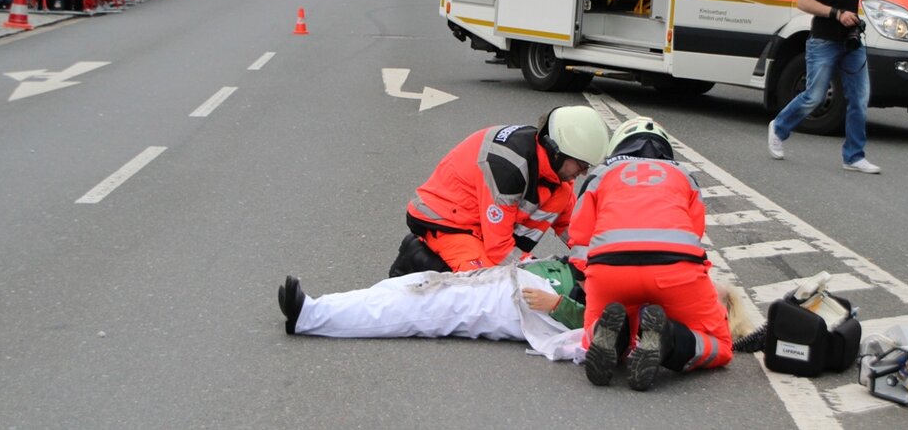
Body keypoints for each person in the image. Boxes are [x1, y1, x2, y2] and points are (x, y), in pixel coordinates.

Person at [276, 255, 756, 362]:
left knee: (418, 310)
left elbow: (605, 331)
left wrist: (559, 304)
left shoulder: (658, 317)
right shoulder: (657, 285)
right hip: (517, 280)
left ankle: (312, 316)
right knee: (415, 285)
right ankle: (319, 309)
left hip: (523, 306)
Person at [570, 117, 733, 391]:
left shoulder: (601, 174)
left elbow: (580, 237)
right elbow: (695, 233)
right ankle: (668, 339)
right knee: (721, 346)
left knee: (591, 336)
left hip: (610, 271)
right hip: (674, 270)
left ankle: (618, 337)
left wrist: (587, 281)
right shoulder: (683, 175)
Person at [398, 106, 611, 274]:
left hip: (484, 226)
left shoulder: (557, 175)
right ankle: (416, 258)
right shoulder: (509, 168)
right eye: (581, 165)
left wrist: (604, 261)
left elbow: (573, 228)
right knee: (485, 287)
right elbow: (499, 249)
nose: (583, 173)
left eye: (587, 167)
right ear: (556, 152)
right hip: (448, 221)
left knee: (561, 197)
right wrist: (541, 273)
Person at [767, 0, 879, 174]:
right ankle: (779, 127)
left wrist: (854, 19)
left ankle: (853, 156)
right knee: (814, 96)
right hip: (823, 41)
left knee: (860, 99)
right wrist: (836, 13)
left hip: (851, 43)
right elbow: (803, 2)